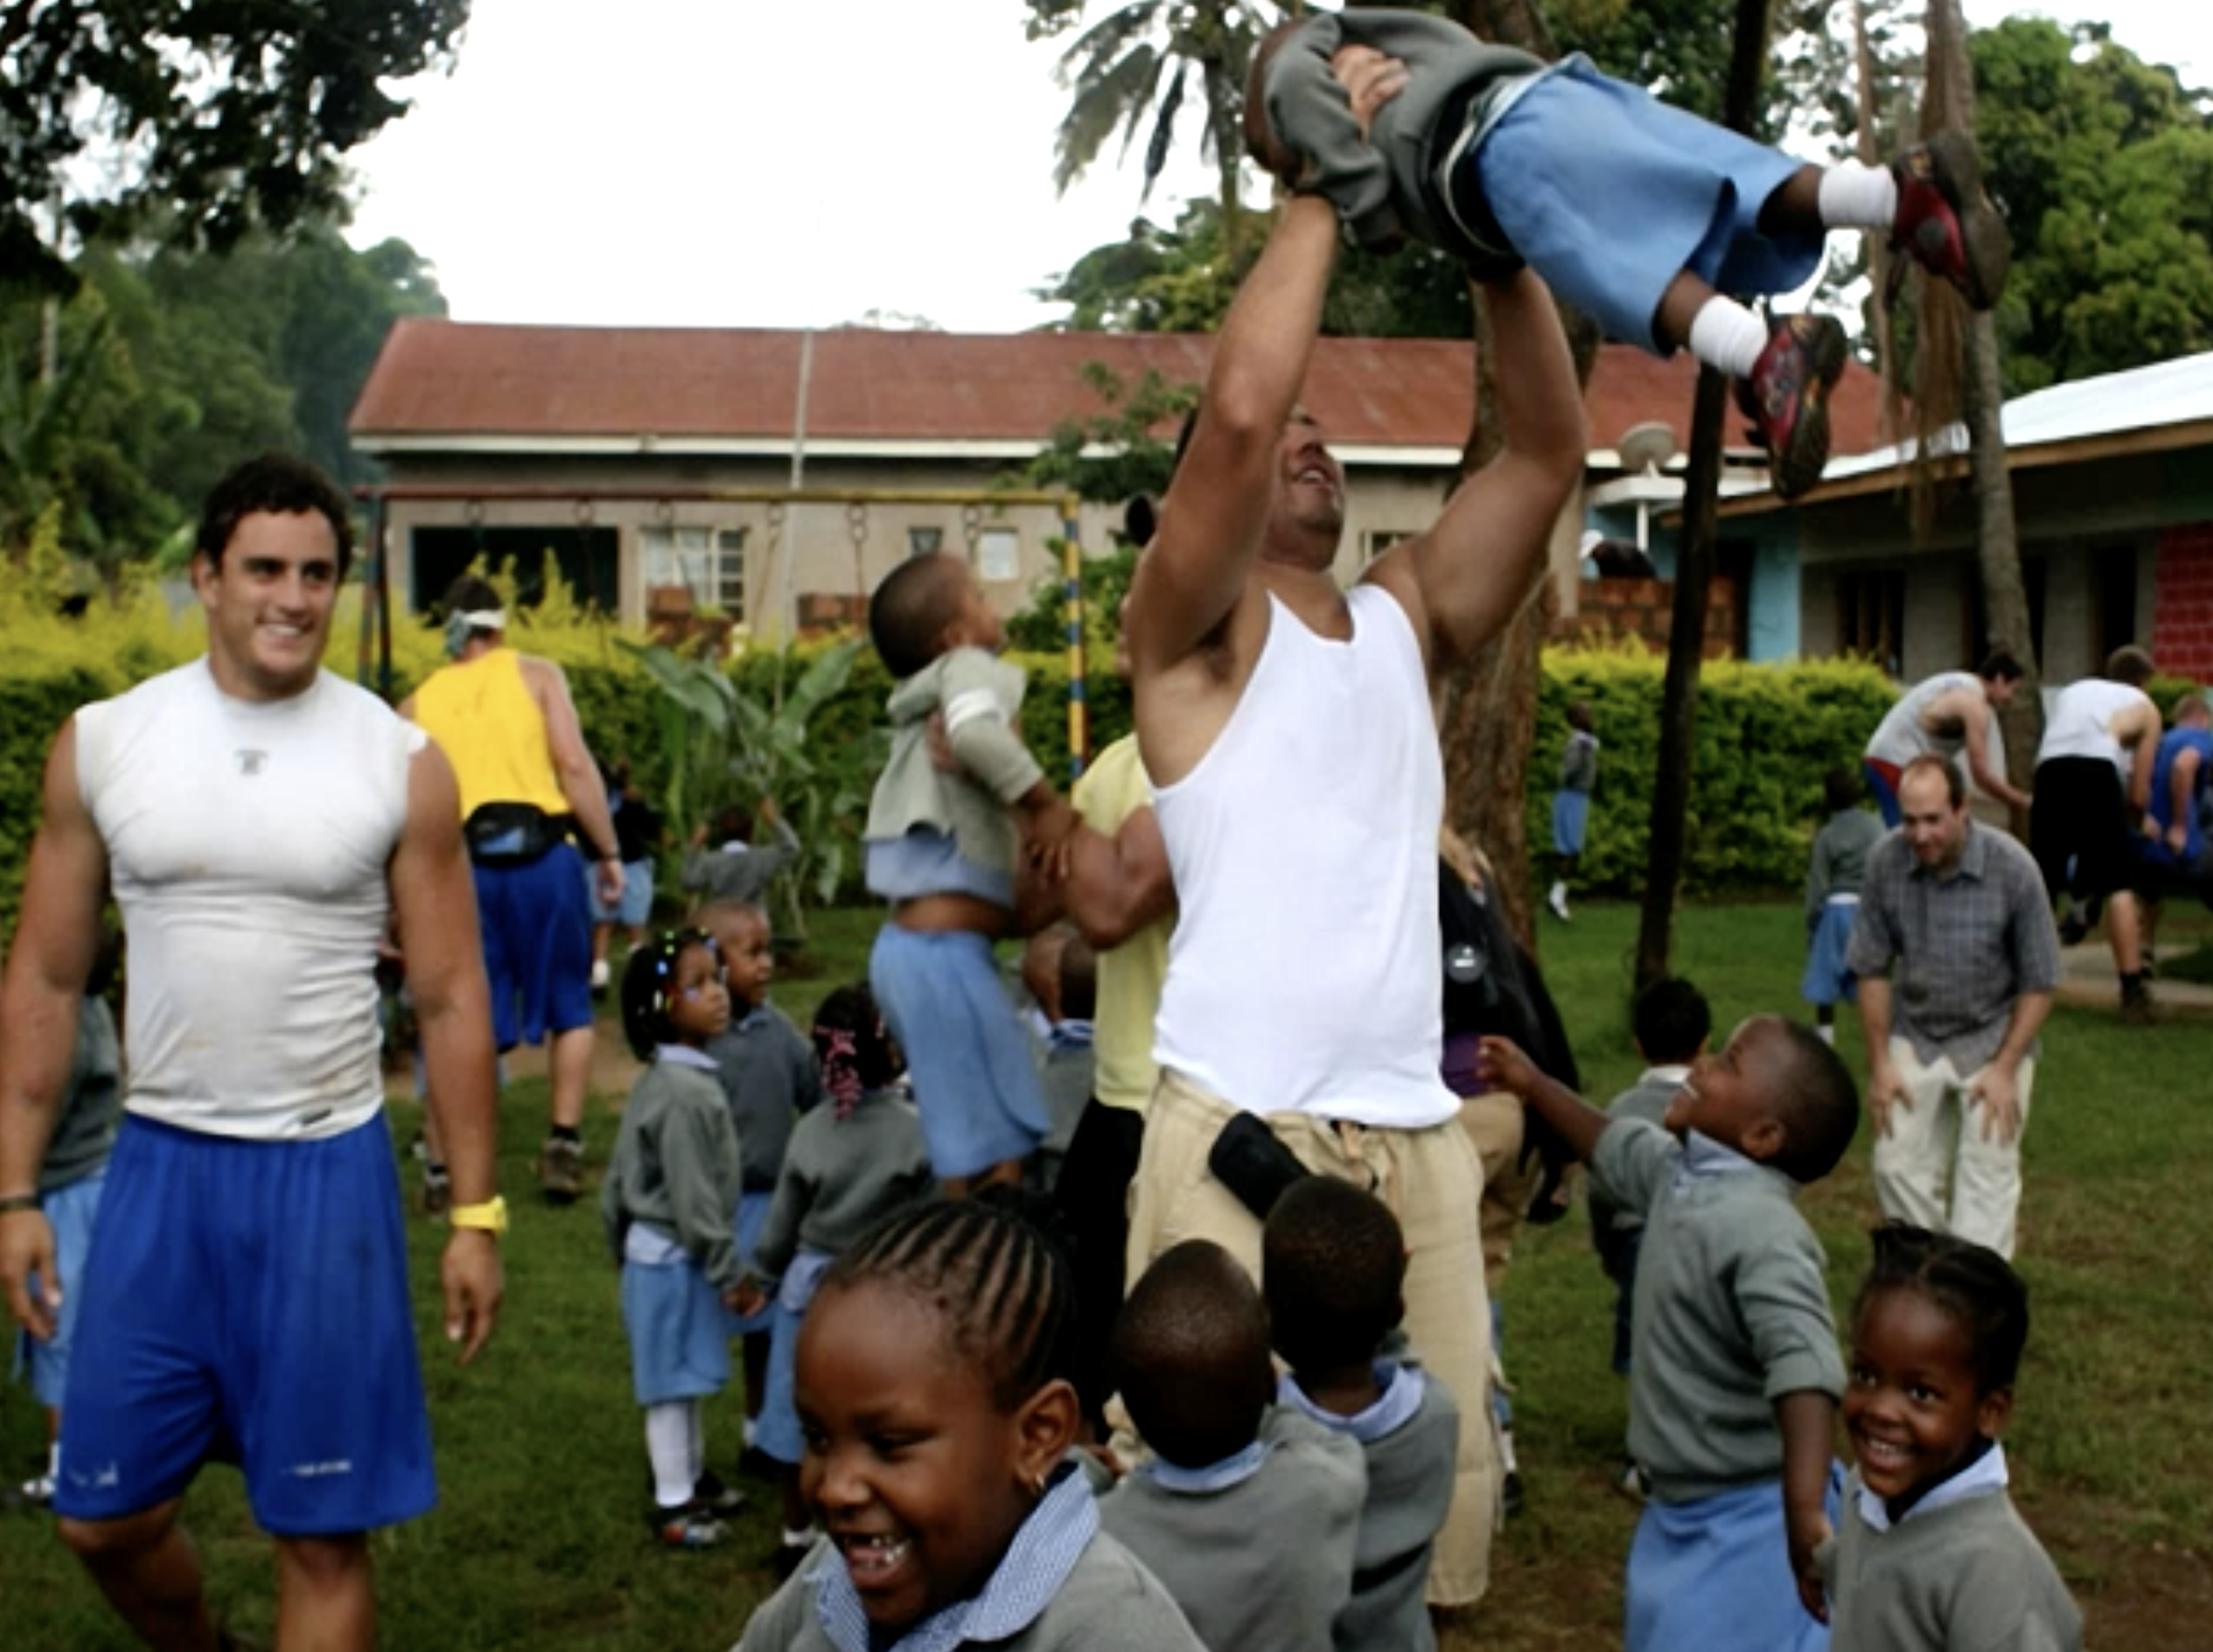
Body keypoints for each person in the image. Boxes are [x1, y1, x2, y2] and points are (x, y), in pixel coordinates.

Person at [1120, 53, 1587, 1605]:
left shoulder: (1403, 615)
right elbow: (1239, 408)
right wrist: (1323, 173)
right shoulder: (1185, 642)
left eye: (1332, 436)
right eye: (1286, 439)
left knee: (1422, 1551)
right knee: (1209, 1564)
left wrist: (1480, 218)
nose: (1306, 442)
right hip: (1229, 1134)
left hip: (1412, 1143)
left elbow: (1543, 452)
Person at [0, 452, 504, 1650]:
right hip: (159, 1169)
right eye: (266, 568)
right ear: (208, 576)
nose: (293, 597)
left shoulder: (399, 760)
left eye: (317, 574)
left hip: (325, 1174)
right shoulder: (107, 743)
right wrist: (14, 1189)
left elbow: (449, 996)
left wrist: (475, 1215)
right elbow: (48, 977)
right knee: (101, 1518)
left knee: (321, 1538)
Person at [1244, 10, 2007, 499]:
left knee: (1617, 262)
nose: (1291, 165)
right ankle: (1894, 196)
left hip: (1499, 151)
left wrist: (1358, 206)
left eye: (1278, 158)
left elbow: (1316, 124)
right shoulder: (1410, 37)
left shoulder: (1294, 69)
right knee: (1723, 176)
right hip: (1562, 93)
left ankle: (1760, 356)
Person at [1480, 1018, 1856, 1652]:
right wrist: (1534, 1084)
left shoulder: (1763, 1230)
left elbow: (1807, 1367)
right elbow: (1608, 1142)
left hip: (1752, 1518)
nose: (1702, 1065)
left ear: (1762, 1136)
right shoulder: (1679, 1176)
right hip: (1681, 1509)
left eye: (1729, 1064)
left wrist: (1804, 1510)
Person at [731, 1197, 1206, 1652]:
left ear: (1036, 1436)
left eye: (888, 1444)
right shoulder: (832, 1577)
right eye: (818, 1438)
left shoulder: (1118, 1632)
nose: (835, 1489)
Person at [403, 572, 624, 1202]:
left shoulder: (417, 704)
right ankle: (562, 1144)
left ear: (449, 631)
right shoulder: (538, 676)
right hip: (544, 857)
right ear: (499, 626)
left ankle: (442, 1168)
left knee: (458, 1015)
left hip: (462, 869)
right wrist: (608, 850)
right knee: (569, 1005)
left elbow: (403, 803)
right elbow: (573, 764)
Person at [860, 553, 1076, 1194]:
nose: (993, 604)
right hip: (940, 958)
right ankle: (974, 1249)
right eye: (980, 596)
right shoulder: (968, 669)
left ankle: (978, 1241)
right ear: (953, 636)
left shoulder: (932, 689)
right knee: (987, 1156)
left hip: (930, 955)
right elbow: (976, 736)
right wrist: (1047, 804)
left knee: (988, 1136)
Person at [744, 984, 933, 1579]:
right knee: (878, 1408)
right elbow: (930, 1218)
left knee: (795, 1410)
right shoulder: (915, 1132)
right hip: (885, 1291)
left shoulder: (811, 1132)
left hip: (810, 1294)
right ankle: (878, 1511)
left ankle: (794, 1533)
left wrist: (761, 1276)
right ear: (892, 1051)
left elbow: (782, 1223)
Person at [1098, 1239, 1365, 1652]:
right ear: (1269, 1385)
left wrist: (1090, 1469)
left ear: (1130, 1411)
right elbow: (1327, 1441)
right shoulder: (1321, 1488)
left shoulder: (1104, 1533)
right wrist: (1267, 1399)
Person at [1825, 1224, 2082, 1650]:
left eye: (1920, 1393)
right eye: (1865, 1375)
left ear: (1990, 1412)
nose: (1881, 1410)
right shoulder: (1864, 1493)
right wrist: (1825, 1564)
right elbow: (1877, 1573)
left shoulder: (1992, 1573)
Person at [1846, 756, 2061, 1261]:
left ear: (1963, 809)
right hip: (1916, 1030)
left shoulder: (2014, 868)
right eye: (1910, 821)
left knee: (1987, 1170)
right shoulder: (1886, 861)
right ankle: (1928, 1269)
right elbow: (1871, 968)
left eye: (1933, 820)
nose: (1920, 835)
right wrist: (1880, 1065)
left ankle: (1974, 1286)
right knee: (1895, 1164)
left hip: (1994, 1035)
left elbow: (2041, 980)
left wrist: (2006, 1067)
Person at [1264, 1177, 1462, 1652]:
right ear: (1397, 1308)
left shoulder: (1266, 1442)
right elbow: (1395, 1351)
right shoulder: (1437, 1416)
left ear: (1271, 1325)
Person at [600, 928, 750, 1550]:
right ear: (661, 1008)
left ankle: (690, 1476)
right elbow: (693, 1198)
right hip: (671, 1260)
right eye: (698, 984)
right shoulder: (683, 1095)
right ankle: (674, 1504)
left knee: (683, 1374)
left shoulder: (667, 1081)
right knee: (668, 1384)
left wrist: (616, 1236)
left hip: (666, 1259)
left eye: (717, 978)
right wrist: (726, 1269)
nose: (718, 993)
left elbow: (615, 1181)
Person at [698, 898, 823, 1460]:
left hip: (772, 1207)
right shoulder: (701, 1042)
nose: (766, 964)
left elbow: (814, 1090)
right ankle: (680, 1455)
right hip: (716, 1209)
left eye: (768, 950)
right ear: (714, 963)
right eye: (752, 953)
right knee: (701, 1327)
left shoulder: (778, 1030)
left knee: (768, 1328)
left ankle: (758, 1430)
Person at [7, 927, 120, 1508]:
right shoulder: (92, 1012)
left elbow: (35, 1110)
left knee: (56, 1322)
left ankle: (68, 1468)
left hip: (66, 1192)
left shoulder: (63, 1033)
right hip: (92, 1183)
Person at [1591, 976, 1712, 1496]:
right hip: (1704, 1244)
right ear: (1706, 1042)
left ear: (1637, 1044)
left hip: (1638, 1247)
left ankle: (1646, 1461)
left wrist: (1608, 1251)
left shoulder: (1621, 1108)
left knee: (1648, 1356)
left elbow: (1603, 1186)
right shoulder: (1718, 1106)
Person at [2030, 646, 2163, 1023]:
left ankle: (2023, 978)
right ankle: (2132, 991)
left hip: (2049, 770)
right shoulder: (2146, 707)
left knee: (2041, 879)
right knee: (2118, 883)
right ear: (2143, 682)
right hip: (2098, 769)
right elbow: (2138, 795)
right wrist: (2141, 823)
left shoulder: (2074, 691)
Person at [1861, 655, 2031, 827]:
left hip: (1886, 756)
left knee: (1927, 827)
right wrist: (2023, 801)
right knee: (1911, 831)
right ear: (1999, 679)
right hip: (1895, 762)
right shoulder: (1973, 704)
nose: (2011, 698)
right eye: (2013, 690)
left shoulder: (1961, 684)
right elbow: (1981, 775)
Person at [1803, 766, 1883, 1042]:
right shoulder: (1875, 826)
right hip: (1868, 908)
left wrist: (1812, 923)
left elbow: (1818, 885)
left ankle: (1826, 1037)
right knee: (1868, 975)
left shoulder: (1828, 835)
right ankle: (1876, 1035)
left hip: (1836, 911)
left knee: (1825, 978)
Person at [2133, 691, 2213, 962]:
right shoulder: (2200, 737)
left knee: (2150, 889)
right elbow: (2183, 766)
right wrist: (2180, 825)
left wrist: (2141, 818)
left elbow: (2133, 776)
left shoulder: (2159, 742)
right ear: (2203, 718)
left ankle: (2144, 946)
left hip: (2148, 839)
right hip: (2181, 843)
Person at [588, 757, 664, 991]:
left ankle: (599, 976)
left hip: (599, 865)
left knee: (603, 924)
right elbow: (651, 828)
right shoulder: (630, 803)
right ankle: (641, 977)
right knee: (635, 925)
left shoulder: (589, 803)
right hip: (633, 865)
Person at [682, 798, 801, 915]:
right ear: (751, 833)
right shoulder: (762, 858)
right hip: (754, 921)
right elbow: (792, 848)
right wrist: (774, 819)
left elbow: (689, 882)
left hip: (723, 921)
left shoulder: (710, 862)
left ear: (720, 833)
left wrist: (694, 846)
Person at [1548, 701, 1599, 920]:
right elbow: (1568, 771)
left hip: (1578, 797)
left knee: (1572, 849)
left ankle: (1557, 894)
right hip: (1572, 797)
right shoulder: (1580, 744)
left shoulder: (1587, 743)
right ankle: (1557, 897)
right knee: (1570, 849)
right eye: (1585, 714)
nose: (1590, 717)